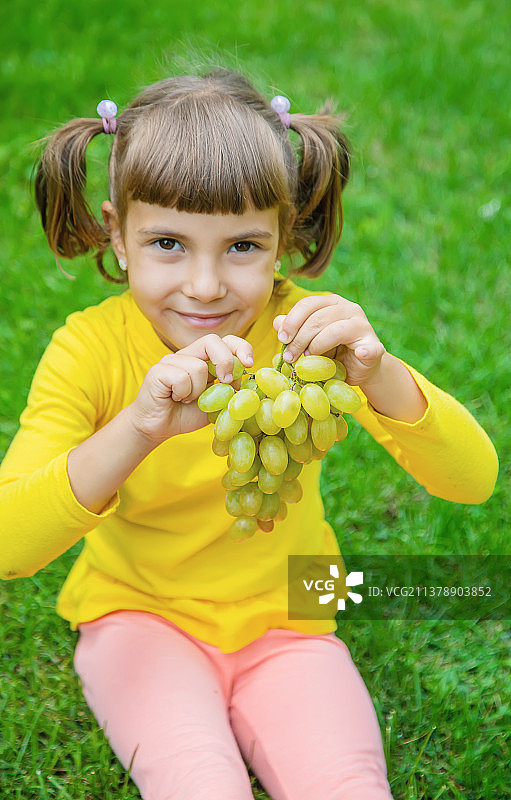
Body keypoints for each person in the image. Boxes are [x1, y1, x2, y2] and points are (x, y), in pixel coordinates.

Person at [0, 66, 498, 800]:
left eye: (241, 247)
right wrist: (138, 429)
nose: (204, 286)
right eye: (168, 243)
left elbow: (473, 480)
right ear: (117, 230)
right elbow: (11, 545)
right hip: (140, 612)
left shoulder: (305, 340)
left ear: (283, 238)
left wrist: (379, 371)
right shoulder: (89, 352)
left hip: (295, 610)